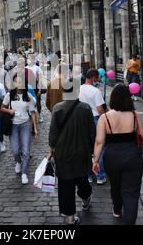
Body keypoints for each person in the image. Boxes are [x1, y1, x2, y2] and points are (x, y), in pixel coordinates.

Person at [93, 84, 143, 224]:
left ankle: (117, 209)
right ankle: (130, 220)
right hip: (132, 156)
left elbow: (99, 142)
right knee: (131, 192)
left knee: (115, 186)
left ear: (113, 99)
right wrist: (140, 152)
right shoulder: (134, 115)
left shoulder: (104, 118)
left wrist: (95, 160)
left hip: (112, 157)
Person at [49, 79, 95, 225]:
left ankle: (69, 218)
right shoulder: (86, 109)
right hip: (82, 153)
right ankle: (86, 198)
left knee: (65, 187)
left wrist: (51, 150)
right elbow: (91, 133)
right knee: (83, 181)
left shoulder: (57, 108)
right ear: (77, 91)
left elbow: (53, 135)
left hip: (62, 154)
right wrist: (92, 151)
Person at [1, 73, 38, 185]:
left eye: (21, 81)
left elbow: (32, 112)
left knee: (26, 151)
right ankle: (18, 161)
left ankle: (24, 173)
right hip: (13, 125)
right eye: (16, 81)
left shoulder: (28, 96)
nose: (19, 84)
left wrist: (35, 128)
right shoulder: (9, 95)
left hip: (25, 125)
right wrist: (9, 111)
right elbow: (2, 108)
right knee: (15, 150)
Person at [79, 69, 107, 185]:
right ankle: (100, 176)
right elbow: (100, 108)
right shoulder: (95, 91)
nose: (99, 79)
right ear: (94, 78)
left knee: (87, 148)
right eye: (98, 77)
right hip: (95, 119)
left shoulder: (79, 89)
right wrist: (104, 120)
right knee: (100, 147)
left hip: (82, 120)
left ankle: (89, 175)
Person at [27, 58, 44, 123]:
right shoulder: (26, 67)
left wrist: (39, 89)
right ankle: (30, 113)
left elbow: (40, 79)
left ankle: (39, 114)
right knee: (28, 100)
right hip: (28, 87)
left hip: (35, 87)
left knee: (38, 101)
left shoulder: (37, 68)